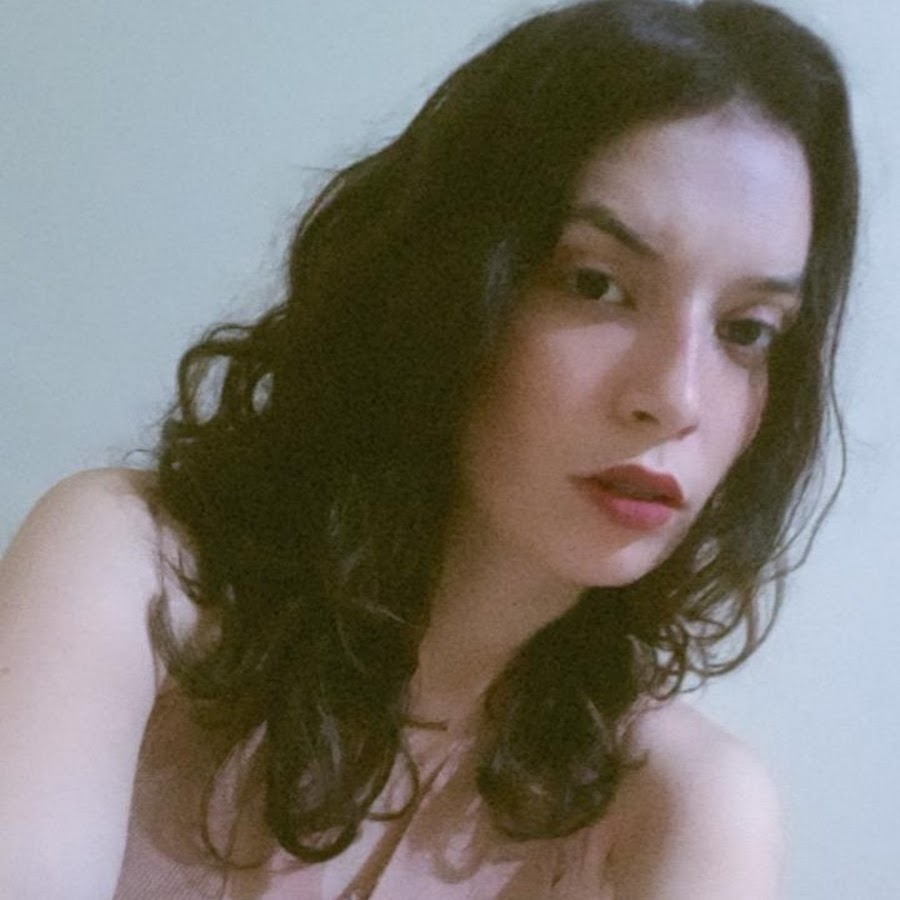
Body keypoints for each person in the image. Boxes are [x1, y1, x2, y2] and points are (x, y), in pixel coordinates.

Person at [0, 0, 858, 897]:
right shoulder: (131, 570)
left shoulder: (681, 806)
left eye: (746, 331)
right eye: (596, 284)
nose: (675, 398)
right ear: (451, 280)